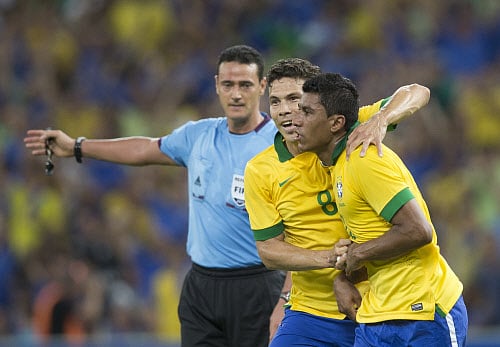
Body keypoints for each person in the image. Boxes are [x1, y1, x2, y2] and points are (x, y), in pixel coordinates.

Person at [24, 44, 285, 347]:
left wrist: (284, 300)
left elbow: (298, 229)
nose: (236, 94)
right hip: (201, 285)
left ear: (263, 86)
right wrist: (77, 146)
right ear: (216, 85)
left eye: (245, 85)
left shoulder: (280, 145)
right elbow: (145, 149)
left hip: (257, 284)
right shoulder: (198, 135)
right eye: (228, 84)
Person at [244, 58, 431, 346]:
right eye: (275, 101)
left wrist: (381, 120)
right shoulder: (260, 170)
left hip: (373, 303)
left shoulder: (347, 130)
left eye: (295, 100)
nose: (284, 112)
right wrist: (330, 259)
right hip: (310, 312)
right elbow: (269, 251)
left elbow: (417, 91)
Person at [294, 72, 468, 346]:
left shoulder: (363, 159)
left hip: (422, 312)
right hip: (377, 313)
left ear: (336, 123)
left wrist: (357, 254)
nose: (296, 119)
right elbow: (371, 232)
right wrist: (343, 277)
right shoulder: (337, 165)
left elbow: (418, 230)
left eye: (306, 111)